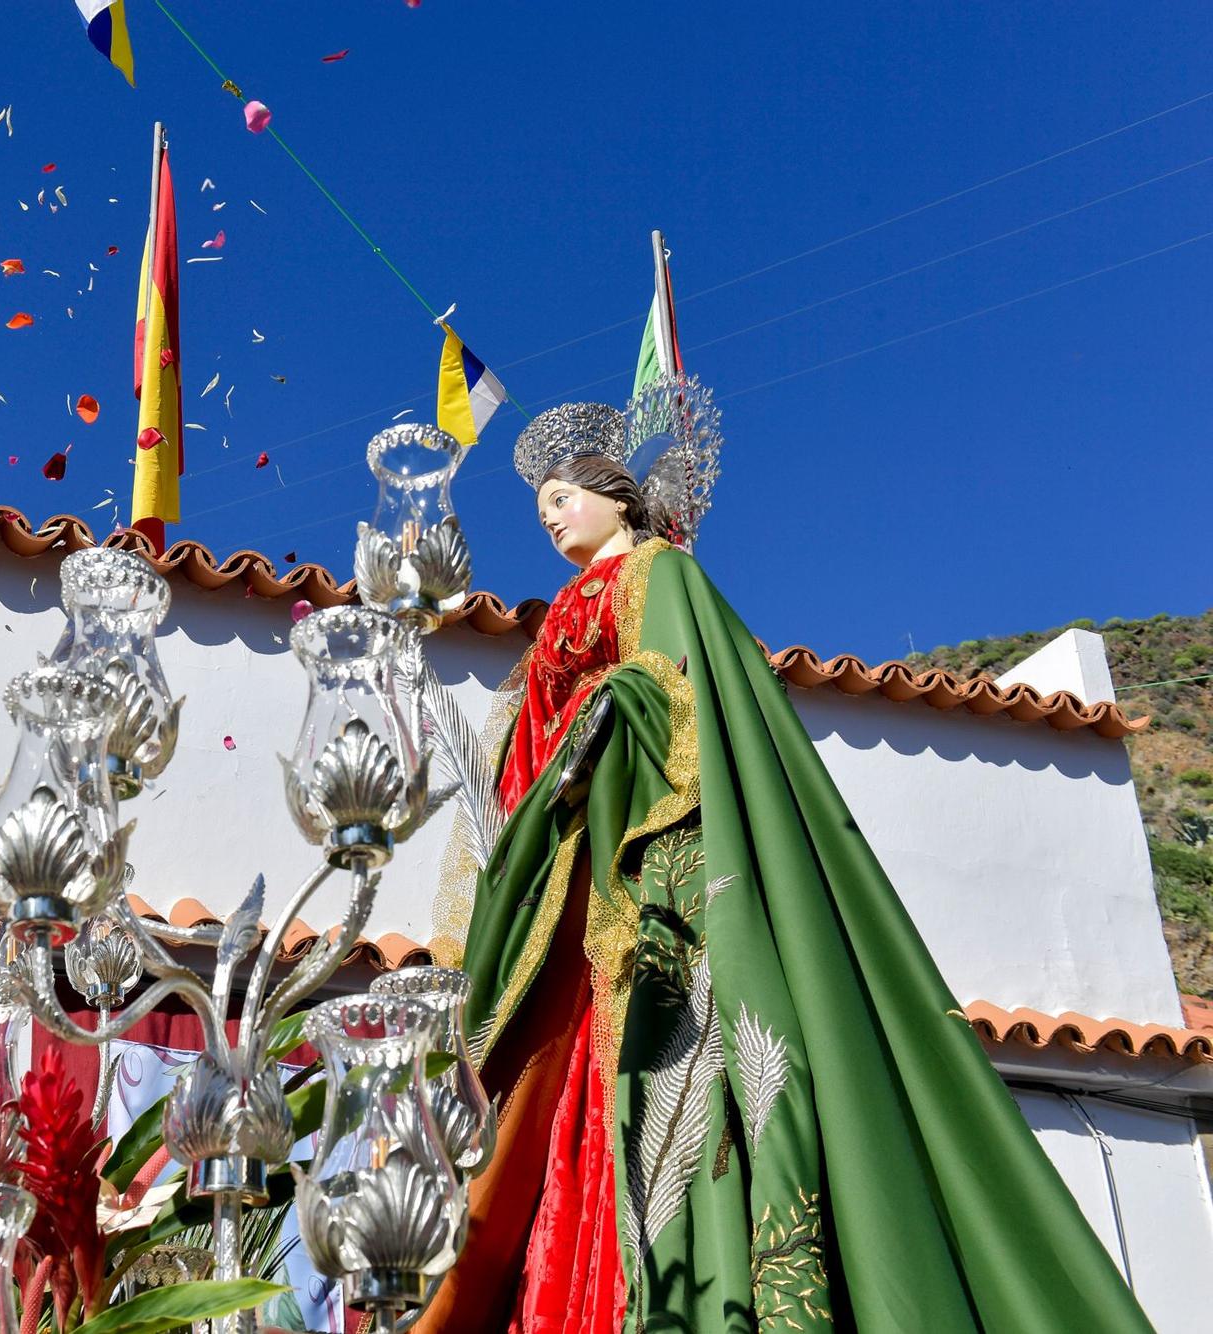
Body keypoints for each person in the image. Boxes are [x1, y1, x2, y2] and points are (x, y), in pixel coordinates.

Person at [417, 389, 1153, 1331]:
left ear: (615, 494)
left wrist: (615, 705)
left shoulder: (658, 574)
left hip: (652, 857)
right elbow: (527, 745)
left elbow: (680, 686)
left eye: (563, 495)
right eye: (541, 508)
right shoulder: (559, 613)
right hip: (580, 873)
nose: (552, 516)